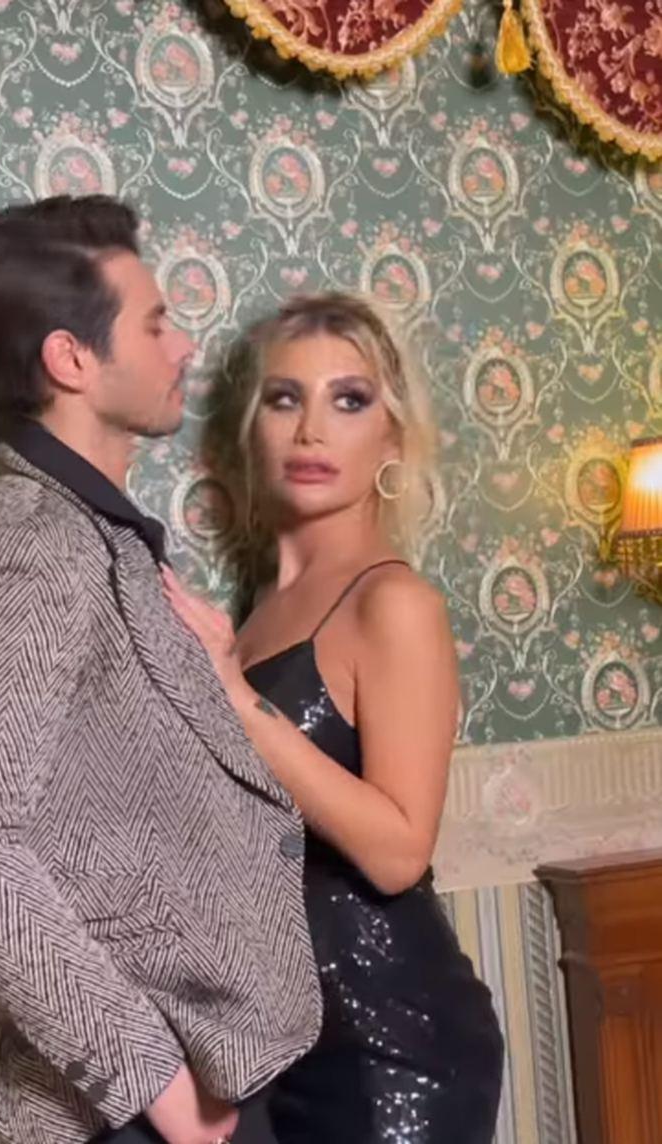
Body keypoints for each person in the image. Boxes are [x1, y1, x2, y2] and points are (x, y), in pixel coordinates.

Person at [0, 196, 322, 1144]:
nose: (183, 346)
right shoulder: (26, 540)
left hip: (189, 1077)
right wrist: (158, 1086)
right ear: (72, 359)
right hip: (117, 1112)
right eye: (154, 323)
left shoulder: (85, 527)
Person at [163, 293, 504, 1144]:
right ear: (254, 428)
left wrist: (238, 702)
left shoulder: (394, 602)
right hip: (283, 1051)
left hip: (396, 1047)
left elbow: (398, 852)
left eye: (348, 400)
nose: (312, 430)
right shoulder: (258, 611)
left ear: (391, 438)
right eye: (285, 399)